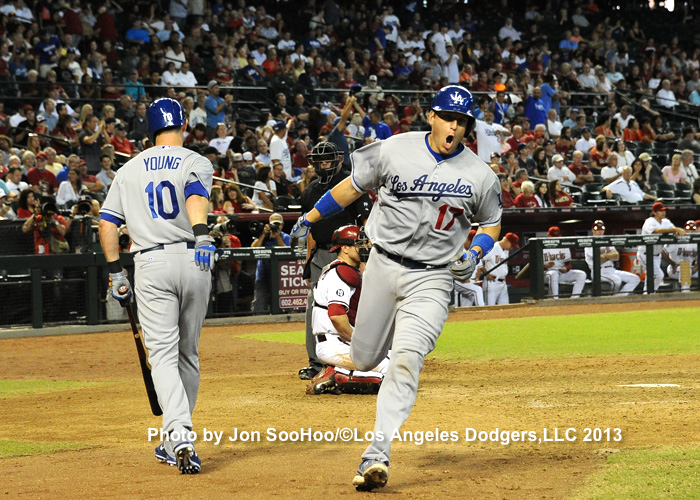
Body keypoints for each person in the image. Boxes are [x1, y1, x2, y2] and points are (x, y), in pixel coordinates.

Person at [289, 85, 502, 492]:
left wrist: (475, 251)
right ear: (432, 117)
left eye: (462, 122)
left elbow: (490, 223)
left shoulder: (480, 175)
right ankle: (343, 370)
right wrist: (311, 215)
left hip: (434, 277)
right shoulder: (392, 150)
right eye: (448, 118)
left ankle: (377, 453)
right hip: (383, 267)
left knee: (405, 359)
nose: (454, 126)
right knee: (367, 358)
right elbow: (352, 186)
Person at [98, 98, 214, 474]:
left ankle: (178, 434)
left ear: (148, 130)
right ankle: (175, 436)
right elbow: (195, 193)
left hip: (149, 261)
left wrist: (117, 273)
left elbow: (107, 224)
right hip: (195, 257)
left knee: (162, 356)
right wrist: (201, 234)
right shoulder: (196, 160)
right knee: (188, 354)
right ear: (183, 124)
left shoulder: (127, 169)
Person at [297, 141, 372, 381]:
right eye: (319, 161)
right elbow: (310, 231)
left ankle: (361, 353)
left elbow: (366, 223)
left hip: (349, 253)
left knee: (356, 306)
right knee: (314, 306)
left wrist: (364, 257)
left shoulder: (352, 184)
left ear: (339, 160)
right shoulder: (309, 191)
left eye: (328, 160)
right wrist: (308, 261)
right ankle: (316, 362)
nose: (323, 165)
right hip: (321, 253)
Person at [306, 225, 390, 395]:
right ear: (344, 248)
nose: (365, 247)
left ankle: (339, 370)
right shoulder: (341, 273)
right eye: (359, 244)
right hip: (334, 343)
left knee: (399, 359)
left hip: (337, 341)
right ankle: (337, 375)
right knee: (395, 372)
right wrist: (359, 342)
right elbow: (337, 316)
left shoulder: (342, 269)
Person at [636, 202, 685, 292]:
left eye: (664, 210)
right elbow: (657, 231)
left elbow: (674, 230)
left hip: (657, 254)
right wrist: (674, 229)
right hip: (645, 254)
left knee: (652, 276)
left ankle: (648, 296)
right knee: (658, 275)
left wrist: (675, 231)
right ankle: (649, 295)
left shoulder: (666, 222)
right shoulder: (649, 221)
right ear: (654, 212)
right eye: (660, 211)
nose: (663, 212)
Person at [584, 220, 640, 295]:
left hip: (612, 270)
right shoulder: (589, 242)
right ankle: (612, 300)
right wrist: (610, 255)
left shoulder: (606, 241)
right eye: (598, 230)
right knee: (617, 280)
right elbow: (599, 259)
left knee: (635, 279)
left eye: (602, 229)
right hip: (598, 271)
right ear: (593, 230)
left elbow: (617, 256)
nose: (600, 232)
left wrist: (605, 256)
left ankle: (619, 297)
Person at [251, 212, 290, 313]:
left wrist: (277, 238)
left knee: (280, 305)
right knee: (259, 304)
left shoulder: (285, 237)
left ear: (282, 225)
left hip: (280, 276)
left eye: (278, 224)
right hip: (262, 275)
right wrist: (263, 234)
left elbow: (289, 253)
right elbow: (253, 249)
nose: (276, 226)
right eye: (274, 224)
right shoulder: (263, 236)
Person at [543, 226, 586, 299]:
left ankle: (574, 299)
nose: (555, 239)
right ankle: (555, 299)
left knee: (581, 274)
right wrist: (545, 266)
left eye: (557, 237)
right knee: (554, 274)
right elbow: (535, 266)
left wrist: (565, 268)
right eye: (553, 237)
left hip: (561, 273)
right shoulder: (542, 246)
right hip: (547, 274)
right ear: (548, 236)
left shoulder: (563, 246)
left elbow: (568, 264)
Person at [475, 232, 518, 305]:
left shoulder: (506, 251)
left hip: (503, 284)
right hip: (492, 283)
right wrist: (487, 274)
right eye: (512, 245)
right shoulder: (493, 248)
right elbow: (479, 260)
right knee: (490, 309)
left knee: (505, 309)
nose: (511, 248)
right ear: (507, 241)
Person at [662, 220, 698, 292]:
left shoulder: (697, 241)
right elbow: (663, 251)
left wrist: (697, 266)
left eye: (692, 230)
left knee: (687, 269)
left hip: (691, 267)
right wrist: (672, 263)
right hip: (675, 268)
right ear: (684, 229)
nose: (690, 232)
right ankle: (685, 294)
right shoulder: (677, 239)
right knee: (685, 269)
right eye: (688, 229)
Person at [453, 230, 485, 307]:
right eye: (471, 242)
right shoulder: (459, 251)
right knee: (477, 290)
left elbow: (479, 267)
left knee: (467, 305)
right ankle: (483, 312)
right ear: (467, 239)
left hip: (470, 282)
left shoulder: (475, 251)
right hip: (459, 282)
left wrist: (477, 278)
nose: (472, 244)